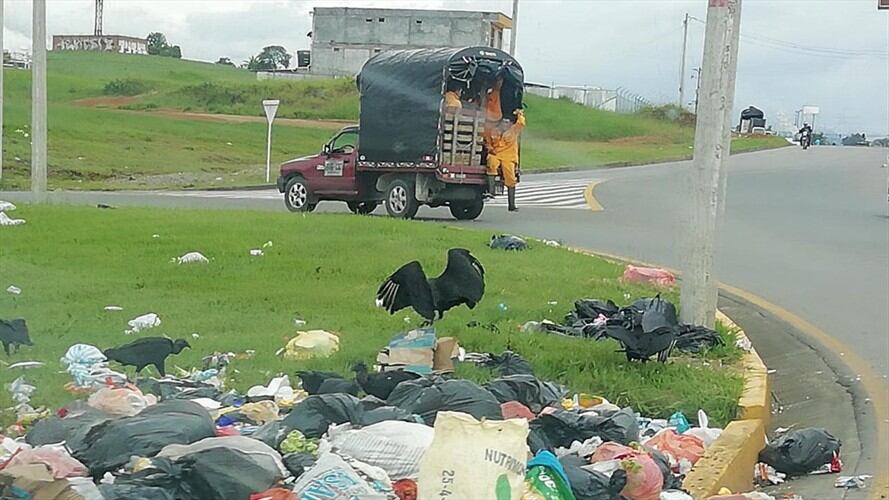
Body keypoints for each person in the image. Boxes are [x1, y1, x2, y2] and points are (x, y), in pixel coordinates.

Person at [485, 109, 526, 212]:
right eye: (503, 122)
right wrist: (490, 149)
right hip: (496, 154)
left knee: (510, 178)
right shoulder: (494, 131)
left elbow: (521, 122)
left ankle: (511, 205)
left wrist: (519, 114)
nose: (504, 124)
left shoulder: (514, 130)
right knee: (491, 162)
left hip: (509, 157)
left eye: (507, 122)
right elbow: (488, 141)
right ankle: (491, 191)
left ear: (511, 124)